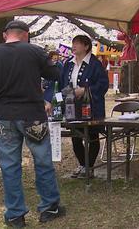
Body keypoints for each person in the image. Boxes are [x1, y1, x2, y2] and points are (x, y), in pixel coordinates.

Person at [0, 20, 65, 227]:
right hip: (33, 115)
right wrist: (53, 60)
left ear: (5, 35)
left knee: (9, 166)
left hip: (5, 116)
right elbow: (55, 74)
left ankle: (15, 214)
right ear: (26, 34)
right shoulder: (35, 52)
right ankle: (49, 207)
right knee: (42, 162)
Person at [45, 35, 109, 179]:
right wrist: (53, 100)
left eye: (77, 44)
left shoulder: (95, 64)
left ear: (86, 46)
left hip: (90, 106)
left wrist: (86, 90)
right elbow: (60, 83)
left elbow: (103, 84)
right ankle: (82, 165)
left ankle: (90, 167)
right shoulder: (69, 63)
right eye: (73, 43)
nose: (73, 46)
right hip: (72, 106)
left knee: (92, 135)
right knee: (75, 136)